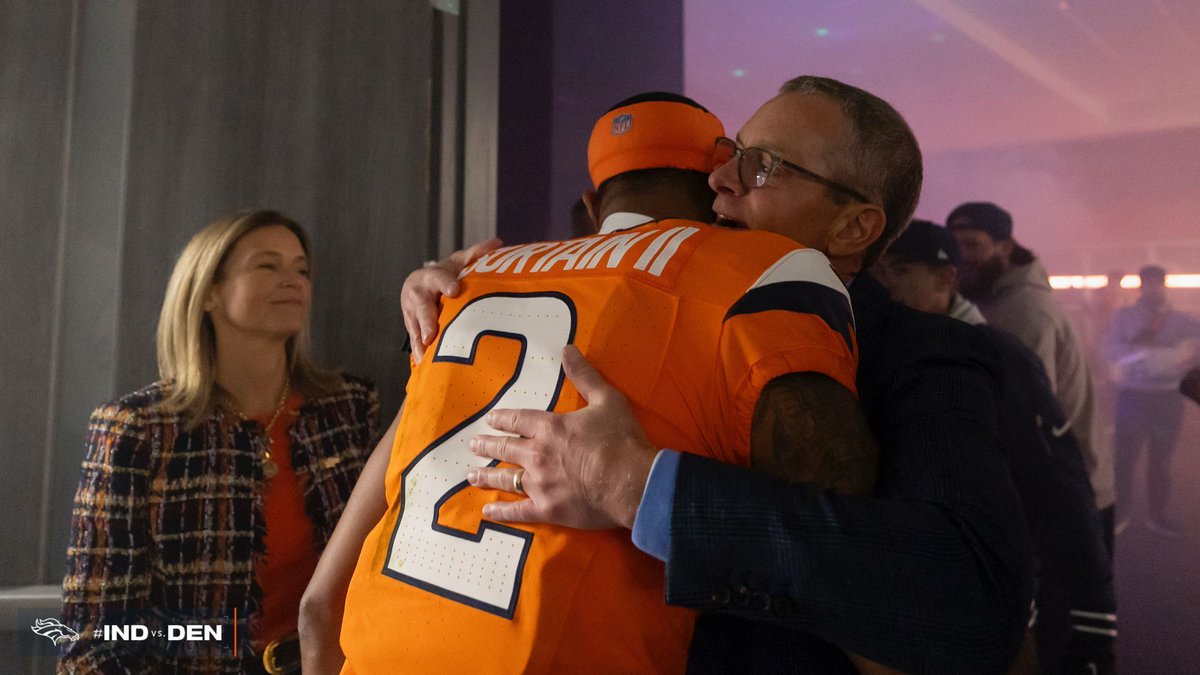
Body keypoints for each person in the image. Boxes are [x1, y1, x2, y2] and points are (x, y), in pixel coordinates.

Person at [406, 77, 1034, 673]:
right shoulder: (677, 304)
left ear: (854, 227)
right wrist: (456, 289)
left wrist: (644, 490)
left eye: (762, 167)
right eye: (728, 154)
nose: (717, 181)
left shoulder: (929, 357)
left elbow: (969, 597)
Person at [306, 93, 876, 674]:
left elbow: (319, 608)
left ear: (590, 201)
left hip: (380, 647)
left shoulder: (463, 282)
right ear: (716, 186)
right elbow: (842, 548)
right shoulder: (766, 268)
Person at [59, 210, 379, 674]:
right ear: (208, 291)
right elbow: (96, 635)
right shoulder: (137, 428)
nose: (293, 280)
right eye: (268, 266)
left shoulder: (347, 407)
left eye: (301, 269)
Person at [874, 220, 1116, 674]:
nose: (885, 288)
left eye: (900, 272)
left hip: (998, 600)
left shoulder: (996, 356)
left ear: (946, 279)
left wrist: (1094, 627)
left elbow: (1061, 491)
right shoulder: (911, 351)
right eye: (878, 274)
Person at [947, 202, 1116, 551]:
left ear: (1005, 246)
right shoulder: (993, 300)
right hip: (1060, 491)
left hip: (1064, 499)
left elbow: (1021, 415)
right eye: (955, 246)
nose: (962, 256)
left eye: (973, 244)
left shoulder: (1022, 310)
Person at [1104, 264, 1200, 537]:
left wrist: (1189, 356)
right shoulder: (1124, 316)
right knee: (1124, 459)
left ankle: (1157, 515)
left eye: (1157, 283)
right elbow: (1109, 348)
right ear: (1141, 286)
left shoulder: (1182, 319)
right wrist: (1140, 352)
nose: (1153, 288)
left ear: (1164, 285)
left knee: (1162, 461)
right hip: (1133, 394)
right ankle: (1120, 513)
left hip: (1169, 397)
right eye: (1148, 284)